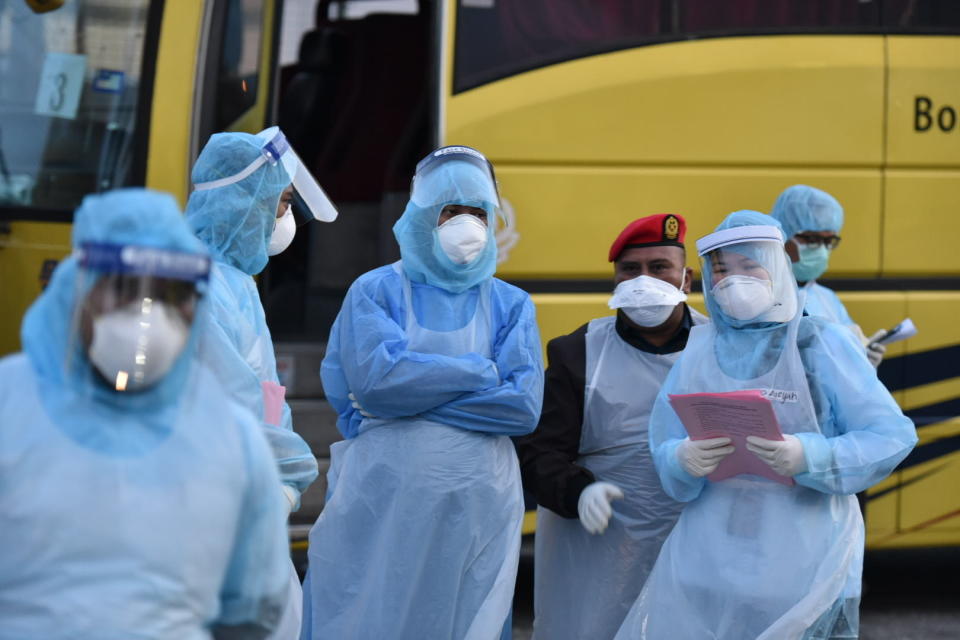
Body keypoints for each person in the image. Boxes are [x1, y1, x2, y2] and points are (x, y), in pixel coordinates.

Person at [614, 210, 917, 640]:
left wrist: (811, 455)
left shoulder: (819, 343)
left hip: (808, 563)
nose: (733, 280)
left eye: (748, 265)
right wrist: (681, 459)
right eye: (721, 269)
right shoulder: (700, 349)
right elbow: (665, 441)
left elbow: (891, 435)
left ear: (777, 268)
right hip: (711, 563)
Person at [0, 189, 290, 639]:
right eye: (122, 288)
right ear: (78, 290)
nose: (146, 315)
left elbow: (253, 609)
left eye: (170, 293)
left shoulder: (232, 441)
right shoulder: (9, 405)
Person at [302, 145, 544, 640]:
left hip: (477, 509)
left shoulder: (510, 303)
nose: (465, 223)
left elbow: (522, 408)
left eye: (477, 211)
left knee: (463, 618)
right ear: (423, 215)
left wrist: (418, 389)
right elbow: (375, 386)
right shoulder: (374, 291)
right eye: (450, 210)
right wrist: (480, 371)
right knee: (368, 612)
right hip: (384, 501)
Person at [515, 214, 708, 639]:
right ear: (615, 281)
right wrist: (577, 491)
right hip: (597, 551)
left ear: (686, 279)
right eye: (630, 270)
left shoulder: (720, 349)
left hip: (699, 545)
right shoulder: (578, 351)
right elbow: (536, 451)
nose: (643, 280)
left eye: (659, 268)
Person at [185, 127, 338, 638]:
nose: (285, 219)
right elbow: (231, 399)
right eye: (281, 202)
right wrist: (290, 472)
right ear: (243, 201)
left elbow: (264, 394)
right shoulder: (200, 288)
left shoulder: (234, 283)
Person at [770, 184, 887, 367]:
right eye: (812, 239)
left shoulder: (827, 298)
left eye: (828, 241)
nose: (822, 250)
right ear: (783, 235)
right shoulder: (762, 294)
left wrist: (862, 358)